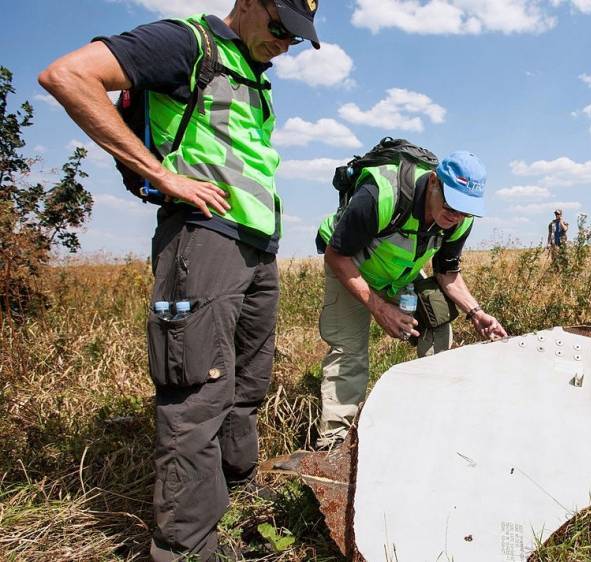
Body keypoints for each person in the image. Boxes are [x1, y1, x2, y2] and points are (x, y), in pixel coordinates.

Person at [39, 1, 321, 559]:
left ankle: (238, 497)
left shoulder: (252, 75)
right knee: (197, 391)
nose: (286, 43)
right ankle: (186, 548)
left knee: (246, 385)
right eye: (280, 26)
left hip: (256, 246)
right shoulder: (187, 44)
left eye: (297, 36)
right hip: (204, 237)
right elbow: (67, 75)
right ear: (249, 4)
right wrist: (162, 175)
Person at [313, 151, 508, 449]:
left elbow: (447, 273)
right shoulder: (381, 195)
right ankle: (333, 444)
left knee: (439, 320)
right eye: (451, 203)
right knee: (350, 351)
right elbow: (335, 255)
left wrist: (476, 312)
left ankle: (430, 416)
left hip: (397, 275)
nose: (455, 215)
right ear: (433, 182)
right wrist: (379, 309)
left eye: (465, 210)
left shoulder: (459, 221)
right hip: (351, 265)